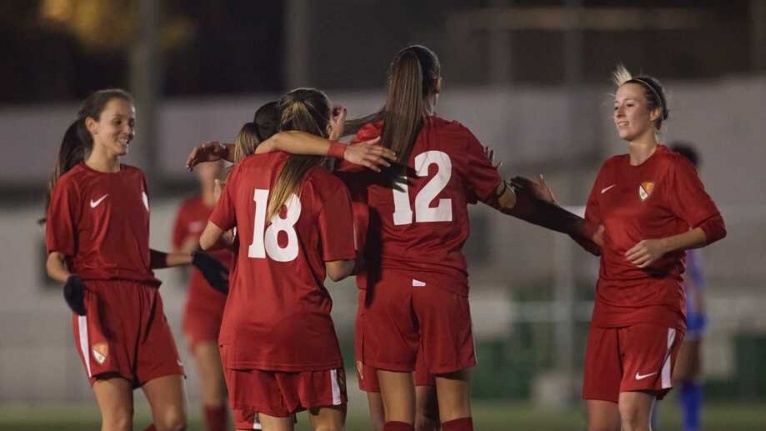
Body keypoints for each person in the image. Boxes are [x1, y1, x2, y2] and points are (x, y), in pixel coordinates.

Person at [513, 66, 726, 431]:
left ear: (654, 112)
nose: (620, 113)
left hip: (653, 306)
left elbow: (713, 225)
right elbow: (598, 241)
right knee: (601, 424)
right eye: (616, 107)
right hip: (608, 310)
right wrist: (552, 209)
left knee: (632, 412)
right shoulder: (610, 170)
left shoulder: (672, 168)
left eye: (630, 104)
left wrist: (663, 244)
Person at [44, 89, 229, 431]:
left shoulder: (136, 179)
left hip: (146, 306)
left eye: (132, 122)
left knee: (173, 421)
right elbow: (55, 259)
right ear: (92, 126)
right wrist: (69, 280)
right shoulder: (72, 186)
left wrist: (193, 259)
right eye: (118, 122)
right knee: (119, 420)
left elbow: (136, 255)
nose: (128, 129)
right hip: (99, 306)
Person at [199, 88, 358, 431]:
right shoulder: (327, 185)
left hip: (247, 326)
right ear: (321, 128)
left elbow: (208, 239)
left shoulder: (244, 171)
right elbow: (338, 269)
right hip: (301, 325)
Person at [172, 159, 232, 431]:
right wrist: (188, 250)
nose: (212, 170)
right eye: (206, 166)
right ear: (198, 172)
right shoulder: (189, 211)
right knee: (214, 385)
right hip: (203, 310)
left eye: (217, 163)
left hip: (236, 306)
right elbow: (176, 259)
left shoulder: (234, 207)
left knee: (239, 388)